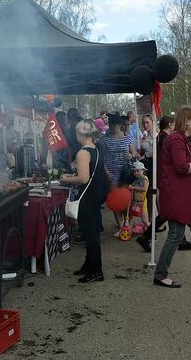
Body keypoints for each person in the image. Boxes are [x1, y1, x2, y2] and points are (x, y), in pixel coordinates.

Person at [153, 105, 191, 288]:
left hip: (184, 195)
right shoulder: (176, 140)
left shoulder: (181, 139)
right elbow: (182, 167)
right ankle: (160, 274)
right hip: (177, 196)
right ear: (187, 121)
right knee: (175, 235)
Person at [60, 119, 106, 283]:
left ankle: (96, 271)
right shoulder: (96, 149)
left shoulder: (82, 153)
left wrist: (66, 179)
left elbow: (83, 178)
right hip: (96, 195)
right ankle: (89, 265)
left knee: (90, 235)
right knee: (92, 234)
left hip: (87, 197)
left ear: (80, 134)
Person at [101, 114, 139, 235]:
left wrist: (131, 156)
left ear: (119, 125)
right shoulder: (104, 139)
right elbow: (101, 158)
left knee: (124, 199)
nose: (112, 127)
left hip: (125, 173)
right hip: (110, 173)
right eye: (110, 125)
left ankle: (125, 222)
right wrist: (106, 172)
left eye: (115, 125)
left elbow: (135, 154)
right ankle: (120, 225)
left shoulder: (128, 138)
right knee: (114, 199)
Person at [129, 161, 150, 230]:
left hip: (142, 202)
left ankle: (152, 234)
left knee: (144, 220)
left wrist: (134, 188)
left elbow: (144, 189)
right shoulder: (137, 179)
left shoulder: (144, 179)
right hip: (136, 202)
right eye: (134, 171)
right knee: (130, 215)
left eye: (138, 171)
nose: (136, 173)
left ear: (143, 170)